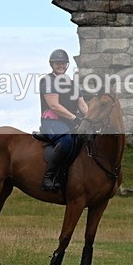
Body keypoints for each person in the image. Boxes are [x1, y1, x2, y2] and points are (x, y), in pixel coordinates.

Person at [39, 49, 88, 192]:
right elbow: (54, 105)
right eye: (57, 63)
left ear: (67, 65)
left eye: (63, 63)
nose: (60, 65)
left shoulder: (73, 84)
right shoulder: (48, 81)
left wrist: (91, 119)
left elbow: (82, 104)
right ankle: (49, 178)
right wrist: (74, 118)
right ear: (51, 64)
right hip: (52, 121)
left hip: (71, 121)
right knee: (67, 140)